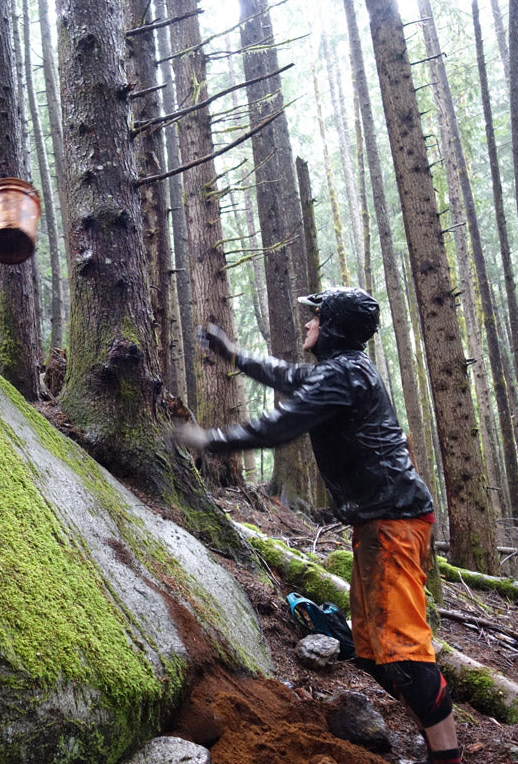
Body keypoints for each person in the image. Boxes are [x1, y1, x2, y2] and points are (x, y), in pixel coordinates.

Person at [174, 287, 461, 764]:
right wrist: (234, 355)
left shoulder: (344, 374)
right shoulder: (341, 371)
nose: (307, 324)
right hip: (380, 523)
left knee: (404, 652)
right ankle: (435, 748)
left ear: (332, 327)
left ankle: (447, 757)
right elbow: (286, 377)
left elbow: (282, 424)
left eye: (315, 317)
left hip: (394, 523)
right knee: (373, 654)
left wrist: (210, 439)